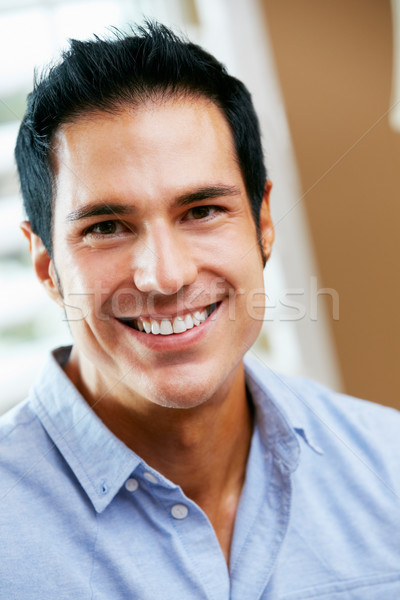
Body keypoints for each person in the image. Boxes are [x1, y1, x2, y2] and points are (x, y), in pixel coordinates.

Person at [1, 22, 399, 599]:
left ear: (263, 224)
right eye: (106, 227)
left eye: (203, 211)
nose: (166, 275)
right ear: (45, 264)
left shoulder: (389, 466)